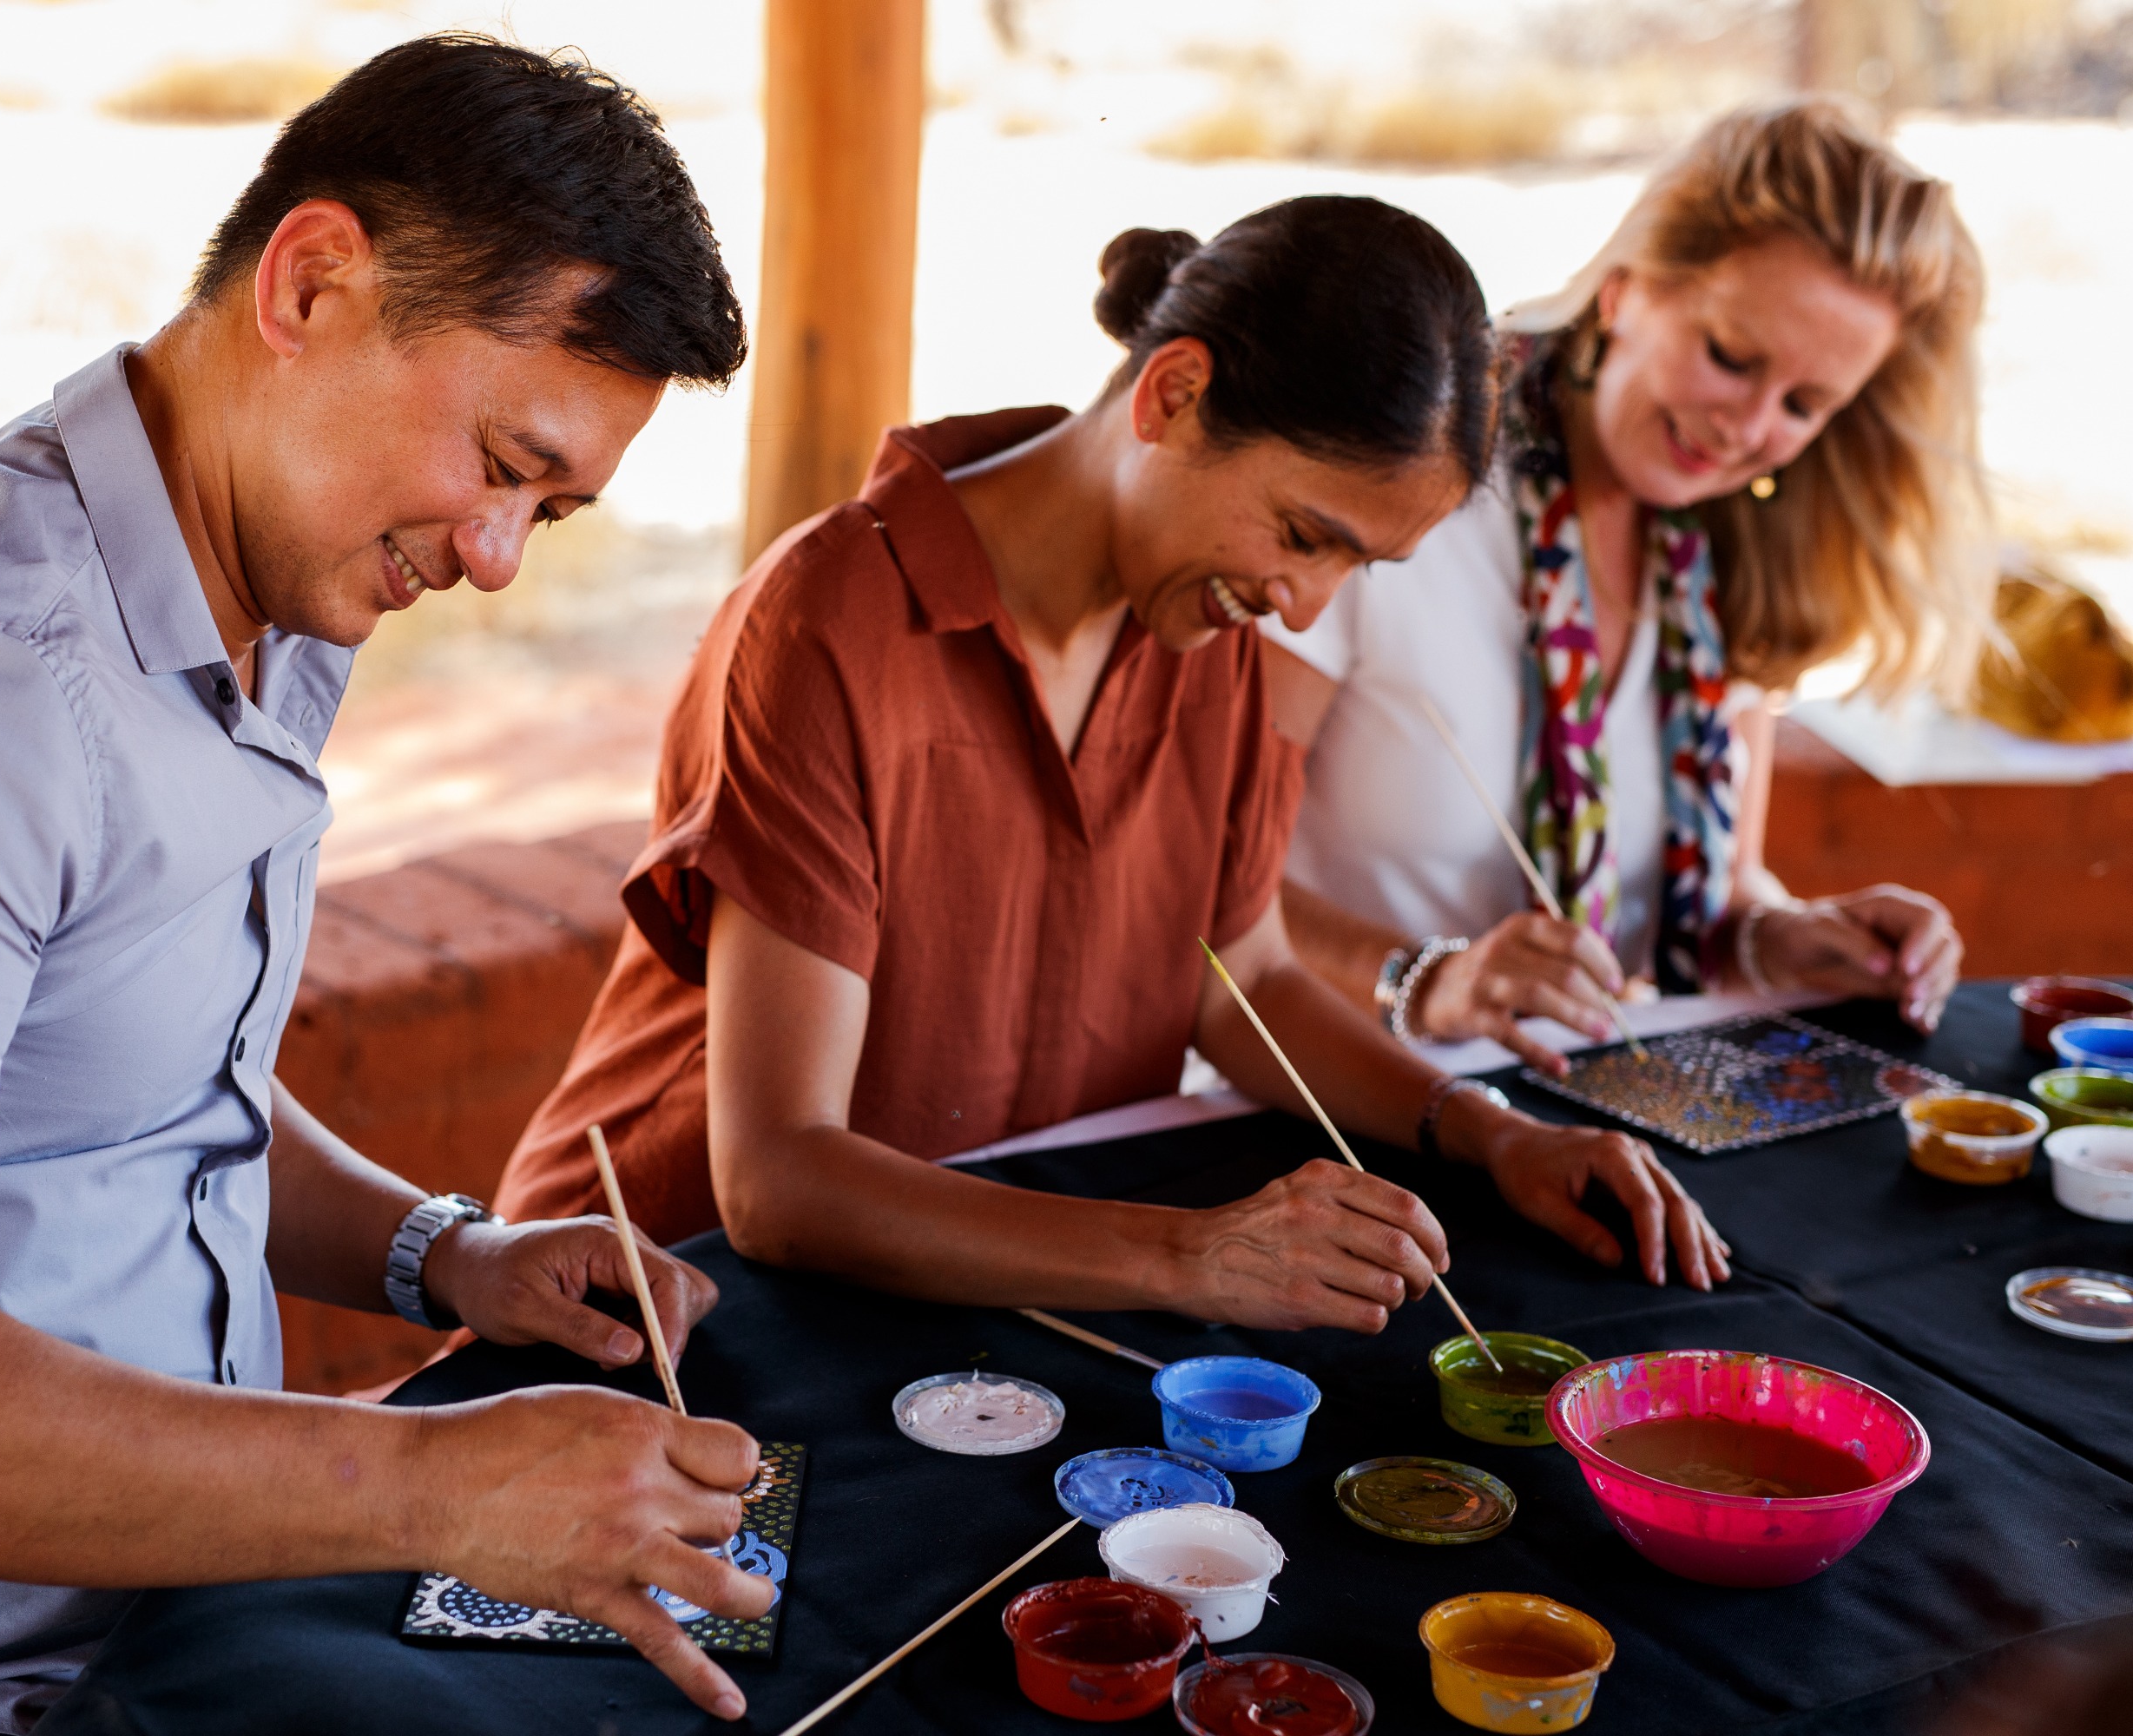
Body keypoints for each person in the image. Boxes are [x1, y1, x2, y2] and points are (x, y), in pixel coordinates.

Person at [0, 38, 775, 1733]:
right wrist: (432, 1485)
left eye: (553, 514)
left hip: (164, 1629)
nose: (500, 559)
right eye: (503, 464)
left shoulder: (275, 595)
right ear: (312, 282)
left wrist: (449, 1254)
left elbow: (131, 1084)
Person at [494, 198, 1728, 1335]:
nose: (1305, 609)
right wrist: (1196, 1259)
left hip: (992, 1290)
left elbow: (1240, 981)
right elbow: (779, 1180)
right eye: (1305, 536)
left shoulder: (1212, 627)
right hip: (670, 1306)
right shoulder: (826, 625)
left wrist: (1488, 1135)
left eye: (1355, 571)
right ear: (1172, 394)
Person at [1262, 100, 1986, 1075]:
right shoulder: (1402, 475)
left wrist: (1785, 938)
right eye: (1731, 356)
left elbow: (1712, 900)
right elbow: (1198, 879)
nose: (1747, 426)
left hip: (1584, 1116)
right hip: (1323, 1112)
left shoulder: (1731, 561)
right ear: (1626, 288)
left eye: (1805, 406)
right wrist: (1427, 983)